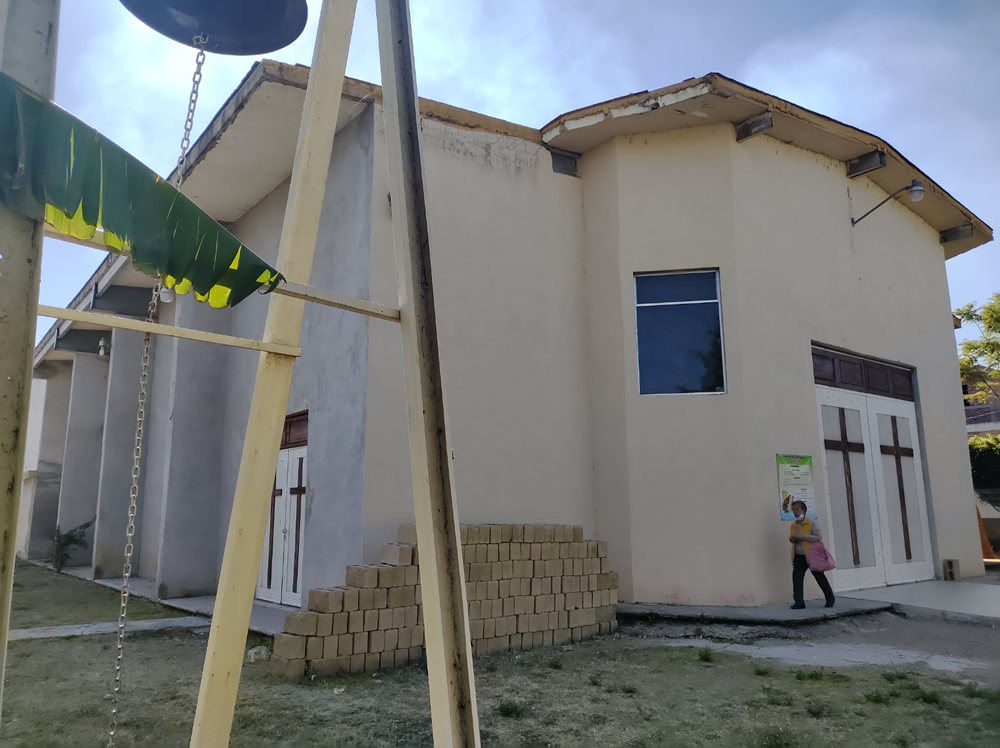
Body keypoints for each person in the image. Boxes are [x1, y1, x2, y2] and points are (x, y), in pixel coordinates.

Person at [788, 500, 835, 609]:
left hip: (811, 554)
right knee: (797, 577)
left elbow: (818, 537)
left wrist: (803, 537)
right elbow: (792, 538)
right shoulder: (793, 525)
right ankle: (799, 602)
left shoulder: (811, 523)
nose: (795, 512)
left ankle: (830, 599)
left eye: (797, 510)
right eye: (793, 510)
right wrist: (793, 538)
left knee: (819, 576)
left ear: (803, 511)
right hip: (799, 555)